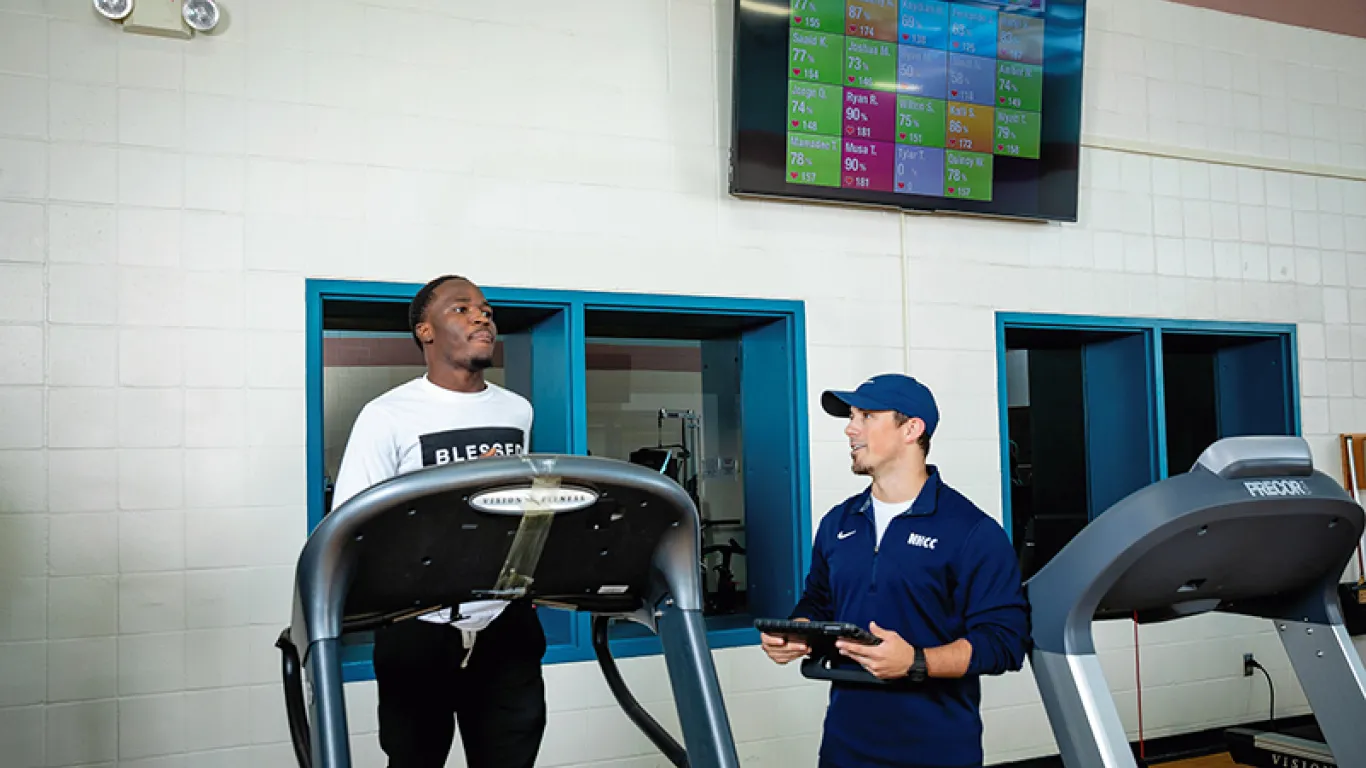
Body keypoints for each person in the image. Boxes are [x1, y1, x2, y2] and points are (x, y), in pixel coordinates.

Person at [330, 274, 547, 768]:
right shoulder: (387, 415)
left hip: (503, 624)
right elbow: (352, 526)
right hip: (419, 626)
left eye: (486, 309)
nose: (482, 316)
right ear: (425, 331)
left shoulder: (517, 410)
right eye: (462, 308)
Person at [761, 373, 1029, 768]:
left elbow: (1005, 641)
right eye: (851, 416)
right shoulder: (838, 522)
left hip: (936, 749)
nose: (851, 429)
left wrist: (917, 661)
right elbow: (819, 600)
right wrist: (797, 630)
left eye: (866, 415)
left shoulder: (971, 531)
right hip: (844, 746)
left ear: (912, 429)